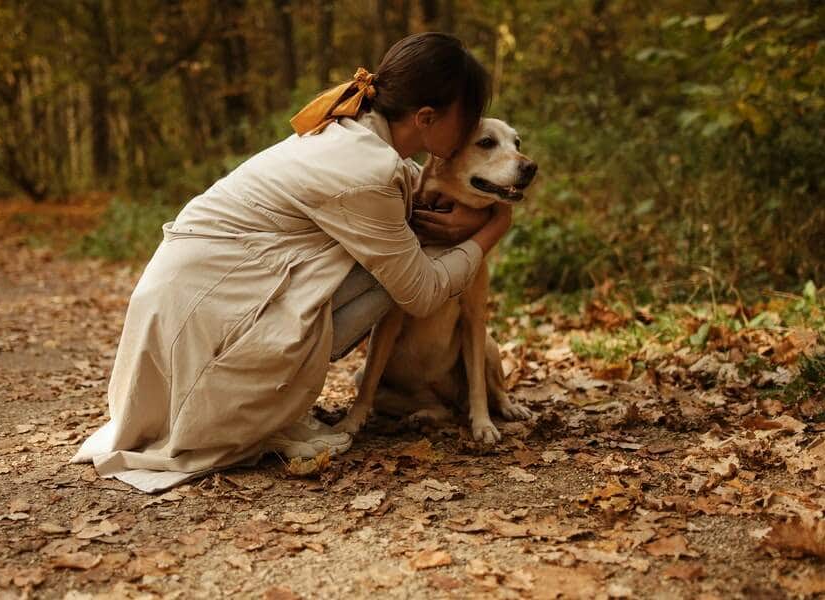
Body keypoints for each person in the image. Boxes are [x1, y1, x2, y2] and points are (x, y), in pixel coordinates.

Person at [70, 32, 513, 492]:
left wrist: (462, 211)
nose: (470, 131)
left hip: (186, 306)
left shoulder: (352, 132)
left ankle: (259, 396)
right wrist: (492, 228)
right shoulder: (368, 170)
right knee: (403, 271)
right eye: (469, 121)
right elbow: (419, 293)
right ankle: (245, 407)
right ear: (425, 117)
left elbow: (408, 197)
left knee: (397, 254)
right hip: (206, 321)